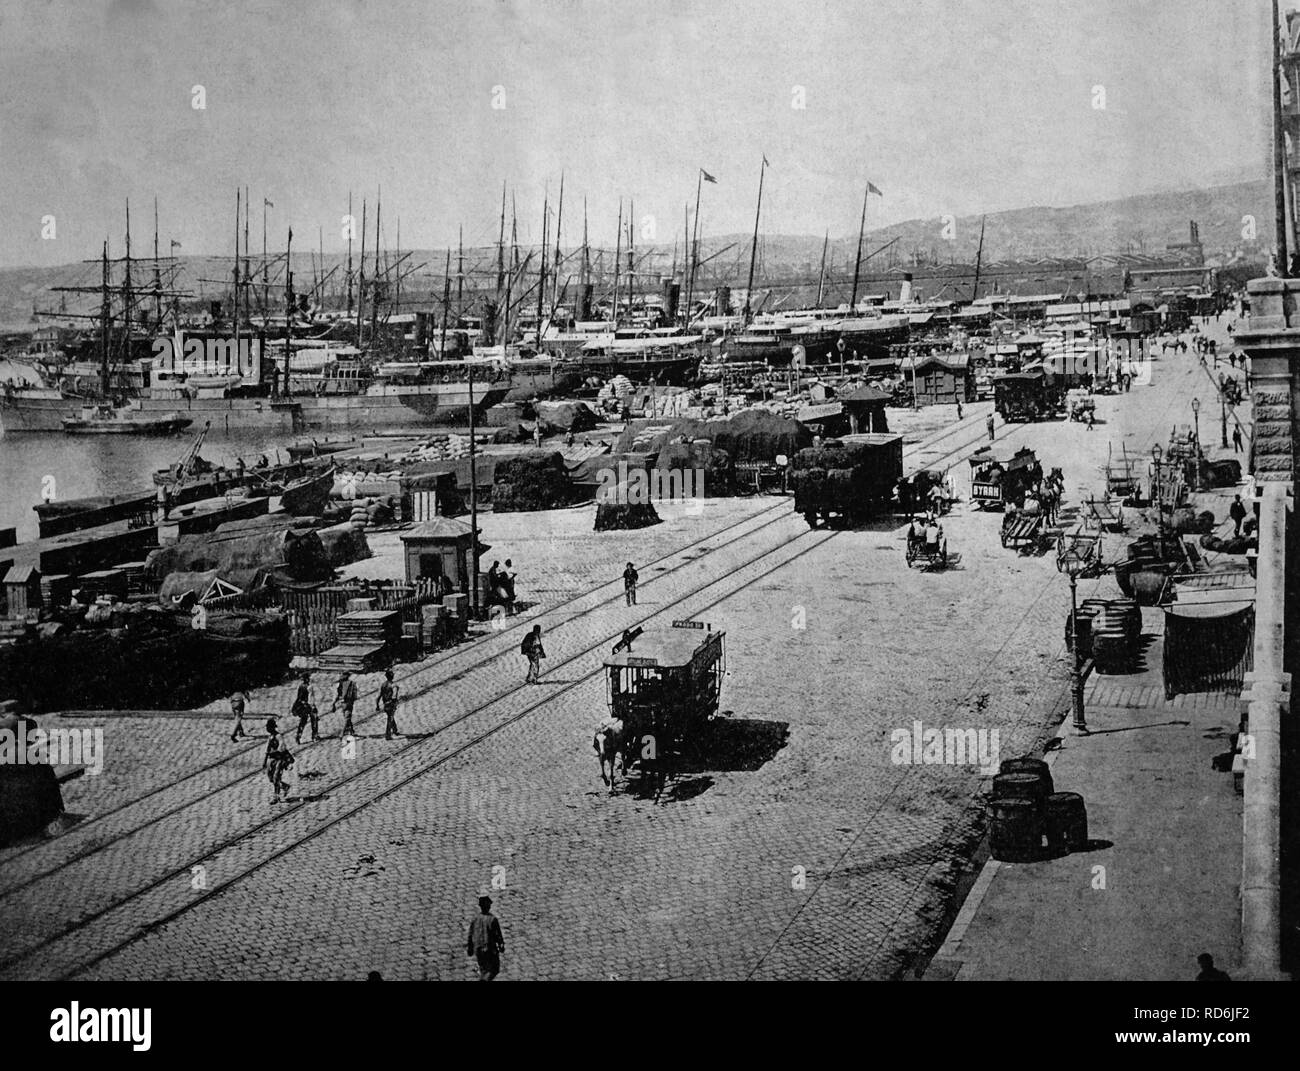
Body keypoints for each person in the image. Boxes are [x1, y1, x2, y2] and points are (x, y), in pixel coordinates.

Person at [466, 896, 506, 981]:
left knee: (483, 969)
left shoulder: (475, 919)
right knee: (494, 969)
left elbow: (470, 934)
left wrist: (470, 948)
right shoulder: (493, 919)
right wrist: (501, 945)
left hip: (478, 949)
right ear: (489, 906)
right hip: (489, 949)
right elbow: (498, 935)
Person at [293, 673, 318, 744]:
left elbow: (299, 698)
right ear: (307, 679)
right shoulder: (309, 687)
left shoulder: (301, 686)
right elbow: (311, 698)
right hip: (309, 706)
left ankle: (298, 736)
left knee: (303, 722)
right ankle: (314, 736)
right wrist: (313, 706)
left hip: (303, 706)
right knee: (314, 720)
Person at [376, 669, 401, 740]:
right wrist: (395, 702)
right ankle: (388, 735)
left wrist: (377, 705)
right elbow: (394, 696)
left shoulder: (383, 685)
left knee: (390, 716)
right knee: (390, 718)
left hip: (385, 704)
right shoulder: (393, 685)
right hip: (391, 704)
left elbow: (378, 696)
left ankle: (395, 730)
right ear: (392, 676)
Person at [334, 671, 358, 737]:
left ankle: (352, 731)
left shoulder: (340, 683)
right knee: (347, 718)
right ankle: (342, 733)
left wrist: (334, 703)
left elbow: (338, 694)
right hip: (349, 702)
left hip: (342, 703)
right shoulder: (352, 683)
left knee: (347, 716)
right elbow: (355, 696)